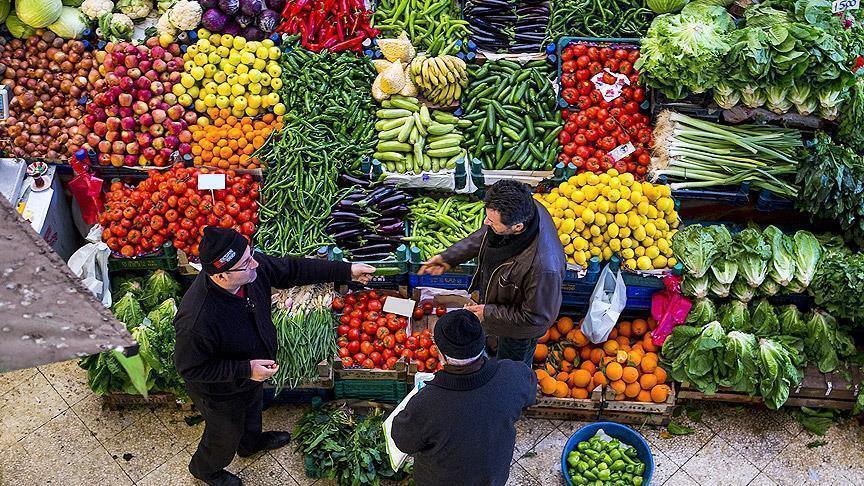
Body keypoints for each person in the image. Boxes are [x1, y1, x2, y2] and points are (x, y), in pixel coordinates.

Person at [174, 227, 375, 486]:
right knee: (224, 433)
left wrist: (346, 271)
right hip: (219, 392)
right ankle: (206, 469)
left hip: (253, 374)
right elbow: (190, 369)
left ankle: (251, 443)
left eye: (251, 254)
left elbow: (291, 269)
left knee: (253, 411)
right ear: (222, 276)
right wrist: (245, 370)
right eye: (246, 262)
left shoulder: (250, 273)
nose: (256, 263)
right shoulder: (197, 319)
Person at [419, 179, 566, 365]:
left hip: (518, 332)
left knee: (510, 367)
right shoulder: (524, 208)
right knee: (493, 348)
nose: (485, 222)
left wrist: (487, 312)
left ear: (517, 227)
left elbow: (536, 318)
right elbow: (488, 234)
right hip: (501, 305)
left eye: (492, 221)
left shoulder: (544, 268)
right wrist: (450, 257)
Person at [390, 310, 537, 486]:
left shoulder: (426, 404)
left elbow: (404, 442)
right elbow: (529, 395)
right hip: (493, 478)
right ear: (482, 344)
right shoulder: (514, 374)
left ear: (440, 355)